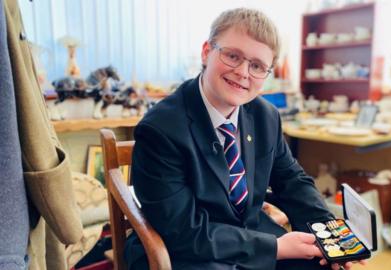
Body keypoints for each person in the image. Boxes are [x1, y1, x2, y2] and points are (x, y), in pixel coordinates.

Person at [125, 7, 365, 270]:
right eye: (232, 56)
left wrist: (331, 236)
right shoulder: (161, 128)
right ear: (206, 51)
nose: (243, 72)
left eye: (257, 66)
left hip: (249, 234)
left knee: (324, 265)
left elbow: (291, 180)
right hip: (187, 251)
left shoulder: (266, 116)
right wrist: (276, 247)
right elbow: (182, 231)